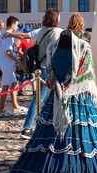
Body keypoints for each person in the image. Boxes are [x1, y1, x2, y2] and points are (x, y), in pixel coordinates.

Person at [0, 14, 97, 173]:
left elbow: (81, 74)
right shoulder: (54, 46)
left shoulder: (78, 46)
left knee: (79, 139)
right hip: (67, 97)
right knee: (56, 139)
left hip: (67, 97)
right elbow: (85, 74)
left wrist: (62, 87)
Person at [4, 9, 62, 138]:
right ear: (55, 18)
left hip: (40, 68)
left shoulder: (41, 31)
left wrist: (9, 35)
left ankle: (46, 125)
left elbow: (25, 36)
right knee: (40, 98)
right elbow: (54, 52)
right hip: (47, 69)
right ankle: (27, 128)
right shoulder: (54, 33)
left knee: (45, 98)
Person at [0, 16, 27, 116]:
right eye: (16, 25)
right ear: (12, 25)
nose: (17, 27)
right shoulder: (8, 36)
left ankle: (15, 106)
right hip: (6, 64)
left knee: (14, 83)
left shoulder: (3, 34)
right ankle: (1, 109)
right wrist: (18, 62)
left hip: (4, 63)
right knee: (6, 86)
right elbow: (8, 52)